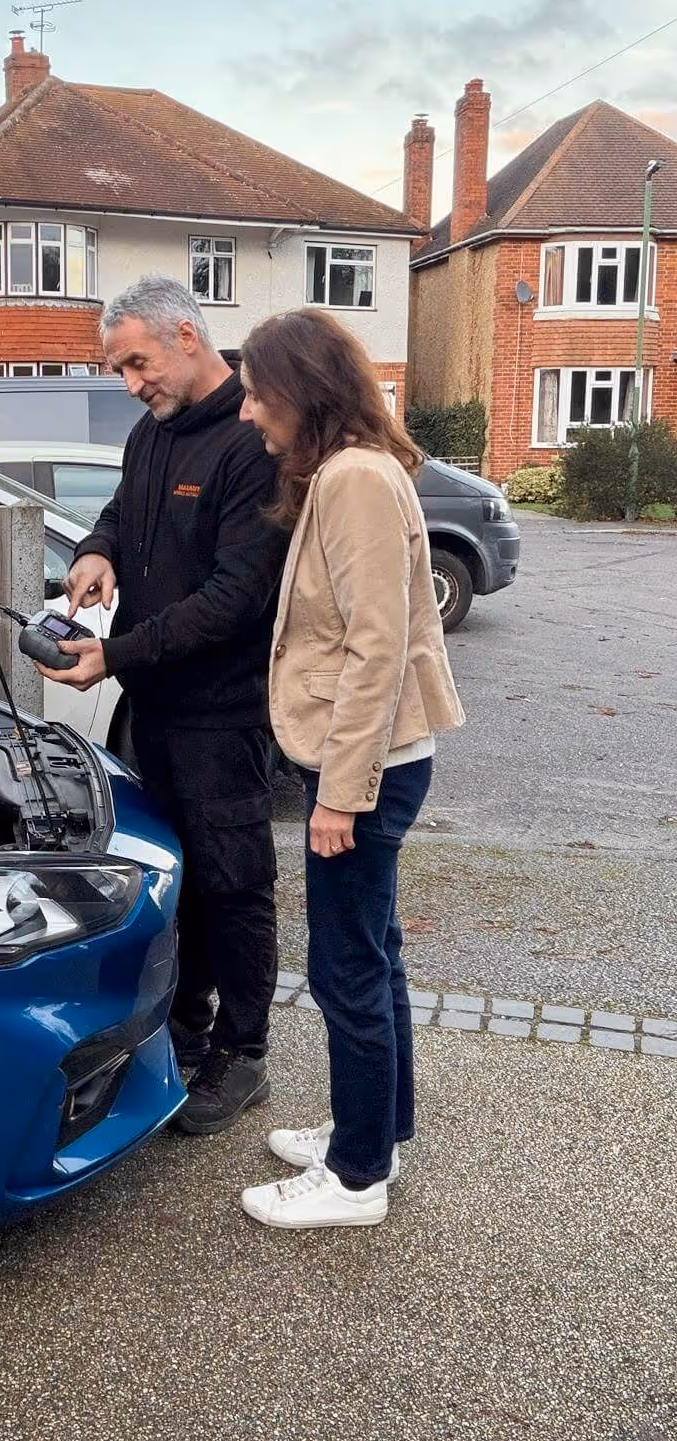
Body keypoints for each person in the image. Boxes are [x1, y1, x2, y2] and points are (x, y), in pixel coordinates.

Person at [34, 274, 288, 1135]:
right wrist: (96, 550)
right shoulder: (152, 432)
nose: (130, 383)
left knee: (235, 885)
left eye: (137, 363)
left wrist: (113, 655)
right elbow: (119, 511)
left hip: (224, 714)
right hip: (155, 709)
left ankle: (244, 1054)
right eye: (119, 369)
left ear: (187, 335)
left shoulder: (252, 440)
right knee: (173, 877)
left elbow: (235, 599)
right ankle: (185, 1022)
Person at [235, 308, 464, 1229]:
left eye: (257, 393)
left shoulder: (356, 479)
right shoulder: (351, 469)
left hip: (363, 767)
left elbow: (378, 648)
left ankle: (356, 1177)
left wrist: (339, 794)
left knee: (345, 969)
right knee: (373, 952)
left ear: (302, 390)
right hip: (372, 760)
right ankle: (378, 1131)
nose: (248, 411)